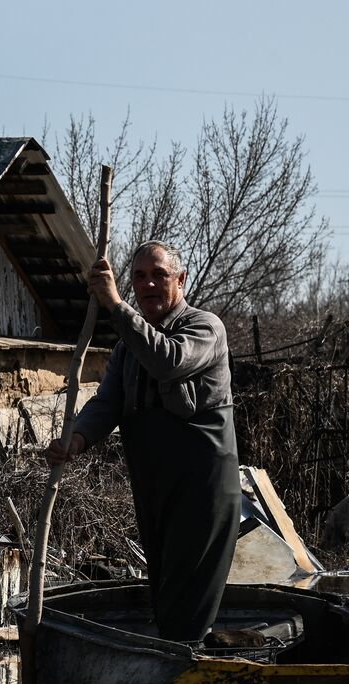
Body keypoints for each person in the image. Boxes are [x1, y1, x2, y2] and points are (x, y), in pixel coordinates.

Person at [44, 241, 239, 643]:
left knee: (187, 602)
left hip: (202, 492)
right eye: (138, 277)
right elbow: (106, 404)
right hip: (155, 491)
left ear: (180, 280)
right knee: (166, 594)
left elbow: (168, 361)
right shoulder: (126, 350)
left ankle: (186, 671)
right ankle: (174, 664)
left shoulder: (205, 328)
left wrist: (114, 305)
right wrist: (75, 440)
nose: (148, 284)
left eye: (159, 275)